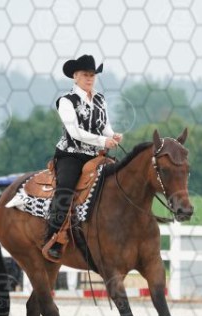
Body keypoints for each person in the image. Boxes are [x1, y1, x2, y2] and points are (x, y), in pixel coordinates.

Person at [47, 54, 123, 259]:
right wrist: (103, 141)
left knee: (119, 180)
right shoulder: (66, 101)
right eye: (85, 75)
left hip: (95, 155)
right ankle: (54, 236)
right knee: (65, 189)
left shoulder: (100, 99)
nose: (89, 79)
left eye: (92, 75)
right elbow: (75, 133)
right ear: (75, 76)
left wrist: (112, 135)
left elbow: (105, 126)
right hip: (71, 154)